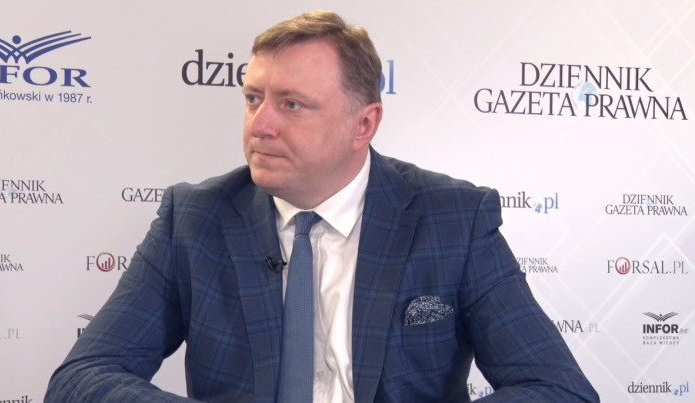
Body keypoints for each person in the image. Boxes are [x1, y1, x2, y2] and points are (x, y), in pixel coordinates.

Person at [45, 10, 599, 403]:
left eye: (292, 104)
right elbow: (82, 377)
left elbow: (558, 389)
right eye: (253, 98)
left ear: (364, 124)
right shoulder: (194, 219)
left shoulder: (454, 219)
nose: (260, 124)